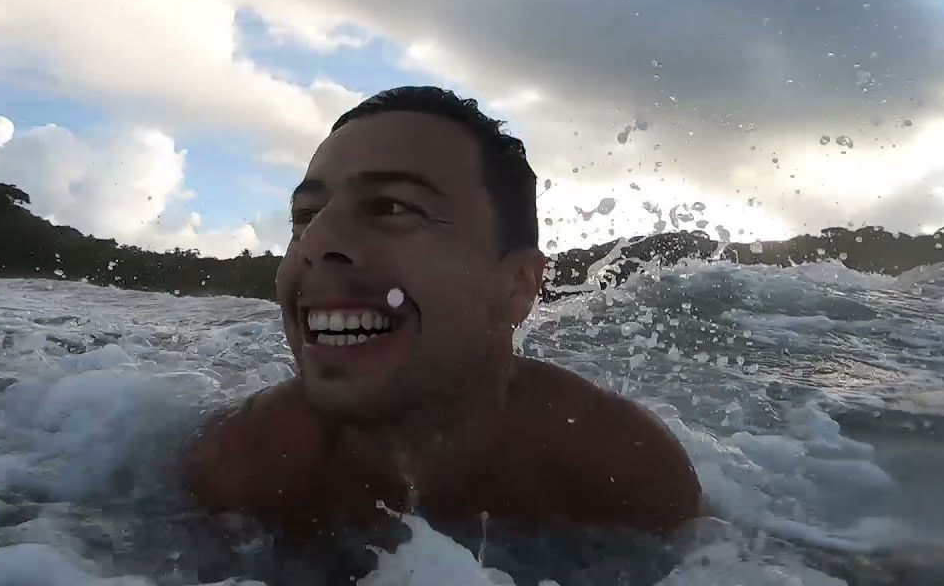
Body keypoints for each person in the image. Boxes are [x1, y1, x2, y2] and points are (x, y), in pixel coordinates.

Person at [183, 86, 705, 552]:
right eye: (305, 216)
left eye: (390, 207)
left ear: (518, 286)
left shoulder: (625, 478)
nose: (315, 243)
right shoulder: (242, 471)